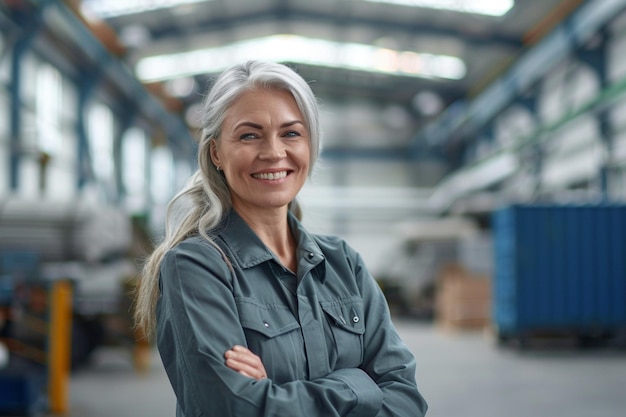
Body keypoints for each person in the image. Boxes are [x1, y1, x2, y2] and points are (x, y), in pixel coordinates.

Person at [134, 60, 428, 417]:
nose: (274, 152)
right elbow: (231, 409)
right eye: (249, 135)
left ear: (310, 145)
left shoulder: (343, 263)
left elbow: (406, 398)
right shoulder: (196, 266)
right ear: (216, 153)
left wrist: (273, 393)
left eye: (291, 133)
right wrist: (356, 385)